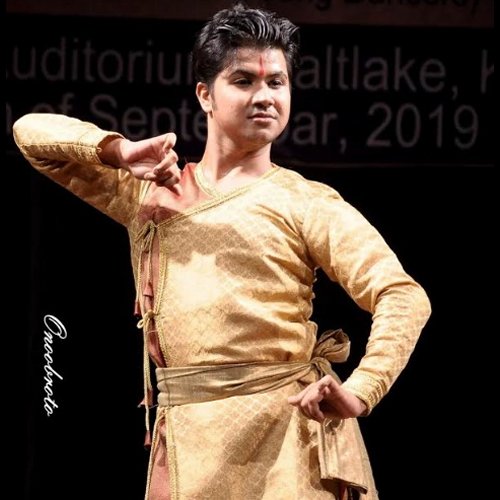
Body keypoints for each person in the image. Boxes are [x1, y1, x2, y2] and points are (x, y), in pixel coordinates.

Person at [13, 4, 431, 499]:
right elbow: (29, 133)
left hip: (286, 444)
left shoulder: (306, 202)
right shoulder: (152, 192)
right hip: (188, 443)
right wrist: (118, 151)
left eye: (277, 82)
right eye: (244, 81)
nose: (265, 96)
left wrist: (362, 390)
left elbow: (402, 295)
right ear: (205, 95)